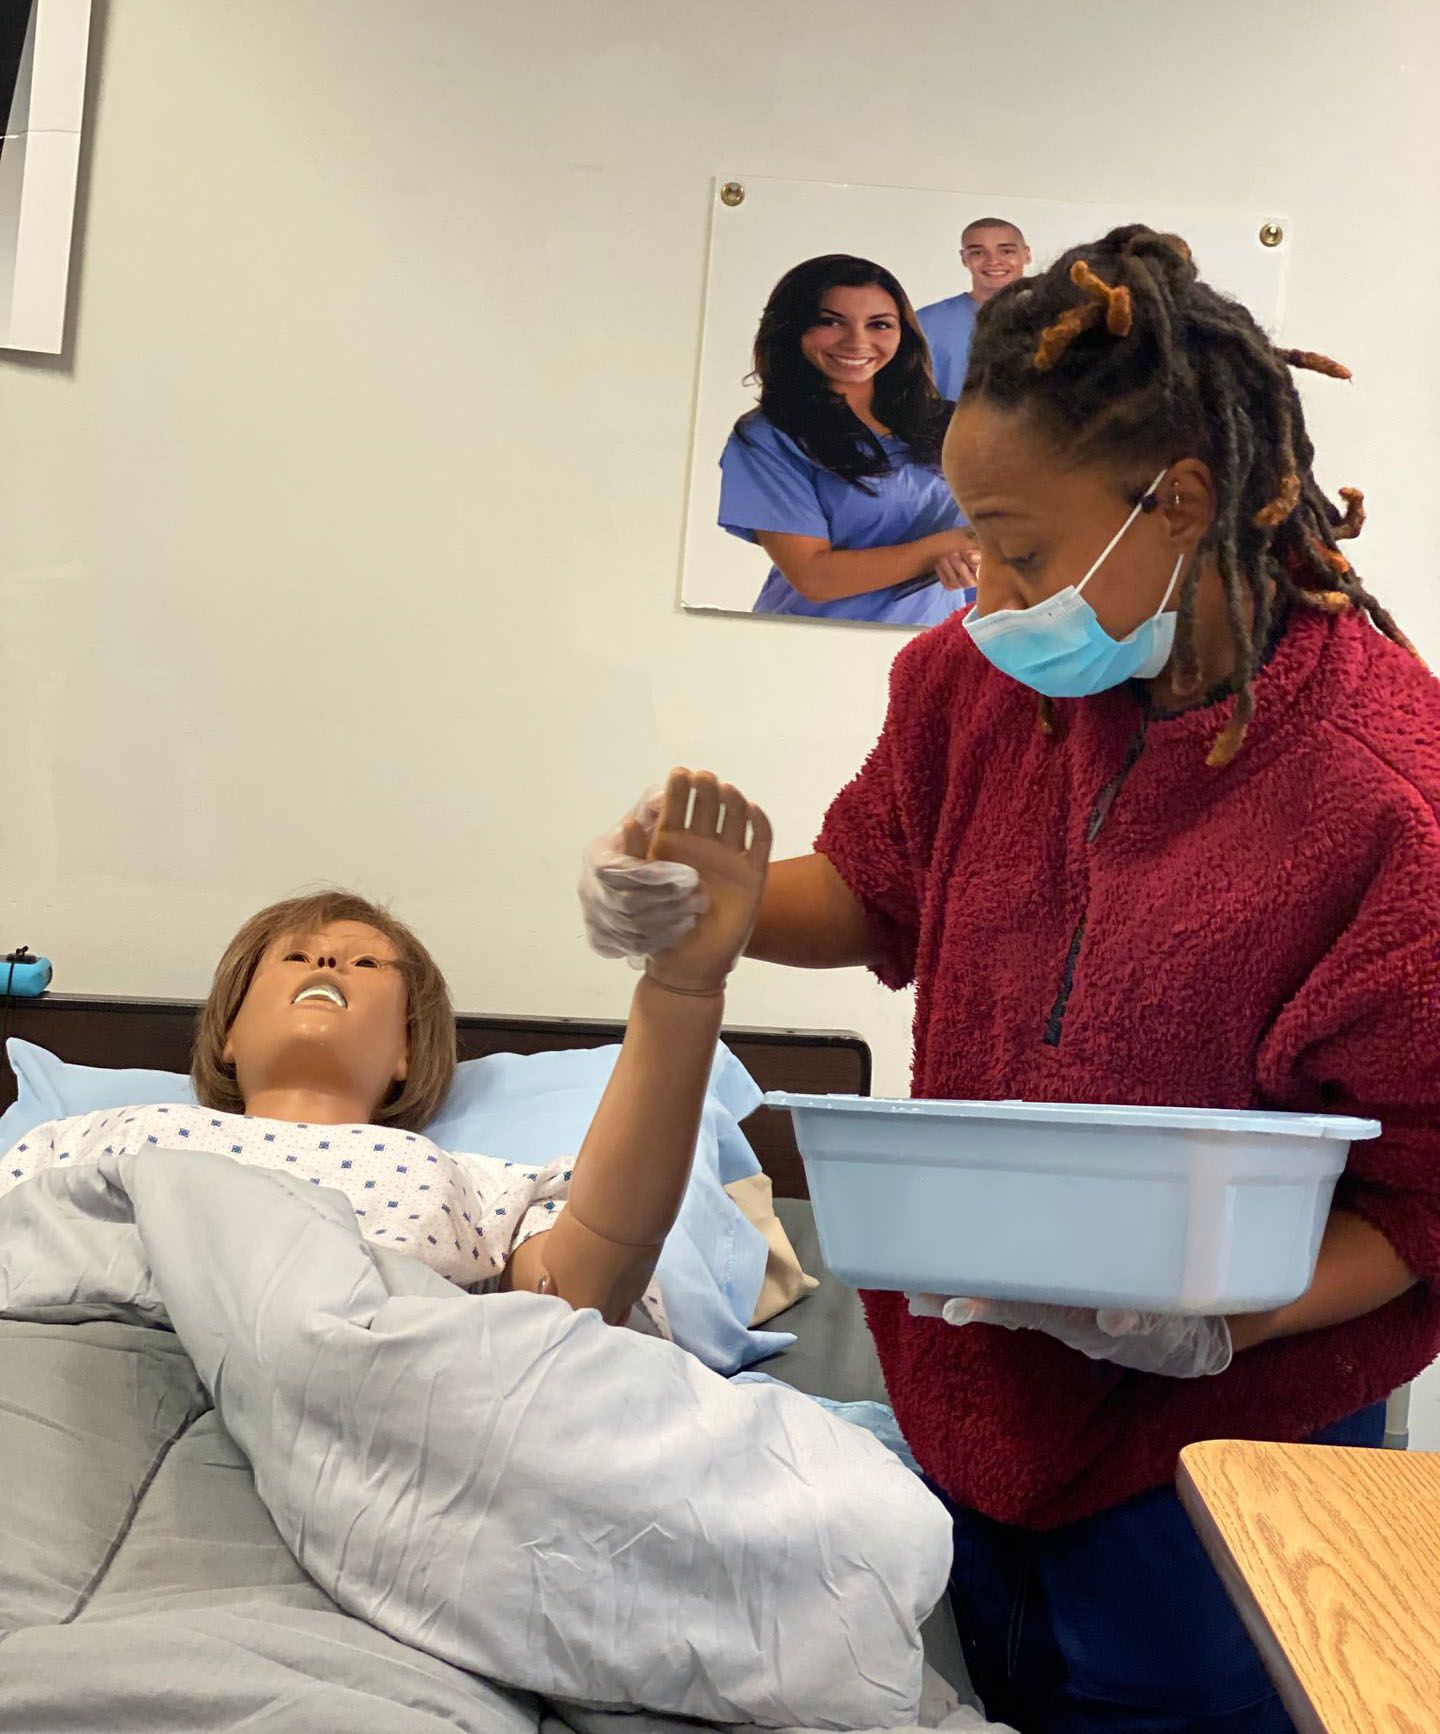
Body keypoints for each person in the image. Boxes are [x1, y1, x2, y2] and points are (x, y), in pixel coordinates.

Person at [582, 226, 1440, 1731]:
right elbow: (878, 885)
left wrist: (1223, 1319)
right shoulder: (976, 684)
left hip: (1225, 1454)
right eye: (973, 544)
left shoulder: (1382, 797)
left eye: (1026, 552)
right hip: (973, 1404)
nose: (986, 600)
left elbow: (1433, 1197)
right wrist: (718, 912)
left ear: (1178, 500)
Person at [3, 768, 771, 1330]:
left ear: (408, 1051)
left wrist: (681, 987)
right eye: (296, 957)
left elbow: (586, 1288)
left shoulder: (468, 1186)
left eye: (367, 965)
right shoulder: (87, 1141)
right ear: (228, 1034)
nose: (329, 964)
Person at [719, 253, 978, 627]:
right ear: (794, 329)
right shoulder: (767, 438)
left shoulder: (947, 422)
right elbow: (813, 576)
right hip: (811, 643)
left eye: (880, 324)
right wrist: (942, 548)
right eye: (830, 322)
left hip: (927, 640)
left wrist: (975, 557)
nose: (857, 341)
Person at [917, 218, 1032, 401]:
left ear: (1026, 254)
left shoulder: (1062, 317)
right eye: (978, 252)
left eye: (1006, 251)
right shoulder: (926, 323)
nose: (993, 261)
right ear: (964, 258)